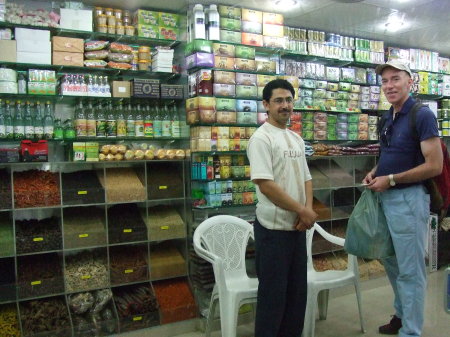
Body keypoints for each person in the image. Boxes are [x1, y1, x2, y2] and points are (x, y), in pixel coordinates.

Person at [363, 60, 442, 336]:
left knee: (410, 270)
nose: (389, 86)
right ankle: (401, 315)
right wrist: (375, 173)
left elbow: (435, 165)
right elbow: (388, 155)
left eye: (395, 79)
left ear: (410, 81)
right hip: (386, 199)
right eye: (384, 81)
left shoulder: (422, 115)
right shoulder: (388, 116)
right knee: (393, 264)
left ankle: (411, 331)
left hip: (409, 200)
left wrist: (392, 179)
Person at [247, 79, 318, 337]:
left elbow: (306, 177)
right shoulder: (261, 139)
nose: (285, 105)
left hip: (297, 228)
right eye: (278, 100)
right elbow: (266, 185)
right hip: (273, 231)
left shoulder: (295, 138)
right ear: (266, 105)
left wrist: (306, 212)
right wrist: (302, 210)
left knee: (296, 296)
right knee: (273, 299)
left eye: (288, 100)